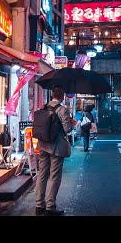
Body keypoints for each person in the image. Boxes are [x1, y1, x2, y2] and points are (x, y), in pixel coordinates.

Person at [35, 85, 74, 216]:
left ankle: (39, 205)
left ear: (52, 95)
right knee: (54, 176)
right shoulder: (62, 110)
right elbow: (67, 129)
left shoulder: (44, 107)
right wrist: (72, 122)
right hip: (56, 147)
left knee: (42, 174)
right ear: (62, 96)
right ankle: (50, 207)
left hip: (42, 145)